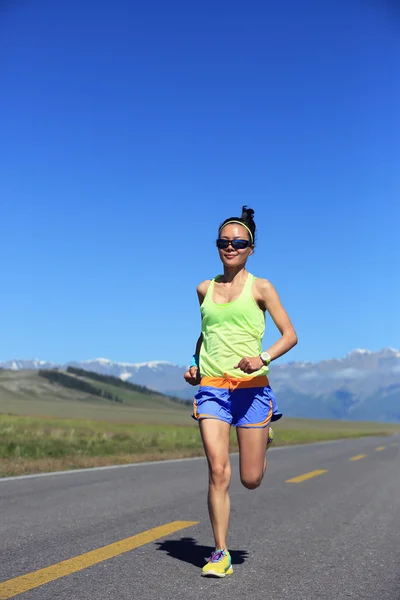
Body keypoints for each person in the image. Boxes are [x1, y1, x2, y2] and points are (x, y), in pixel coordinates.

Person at [183, 206, 298, 578]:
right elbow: (207, 335)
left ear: (251, 248)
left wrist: (261, 357)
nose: (230, 247)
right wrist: (196, 365)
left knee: (250, 480)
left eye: (238, 242)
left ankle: (263, 439)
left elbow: (290, 336)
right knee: (218, 471)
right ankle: (220, 553)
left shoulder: (261, 287)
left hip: (252, 389)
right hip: (214, 389)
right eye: (223, 241)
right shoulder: (205, 289)